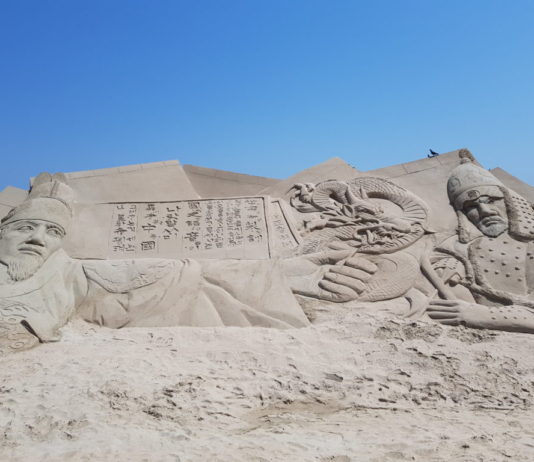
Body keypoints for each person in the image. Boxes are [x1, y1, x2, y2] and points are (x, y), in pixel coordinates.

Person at [0, 173, 381, 351]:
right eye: (28, 228)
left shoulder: (62, 266)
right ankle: (294, 279)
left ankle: (296, 278)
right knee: (192, 277)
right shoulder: (45, 273)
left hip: (149, 285)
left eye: (52, 232)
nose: (38, 238)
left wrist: (289, 271)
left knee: (191, 272)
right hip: (129, 301)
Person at [426, 150, 534, 333]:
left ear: (510, 202)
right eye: (471, 207)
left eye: (491, 200)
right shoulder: (457, 249)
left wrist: (488, 316)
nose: (485, 211)